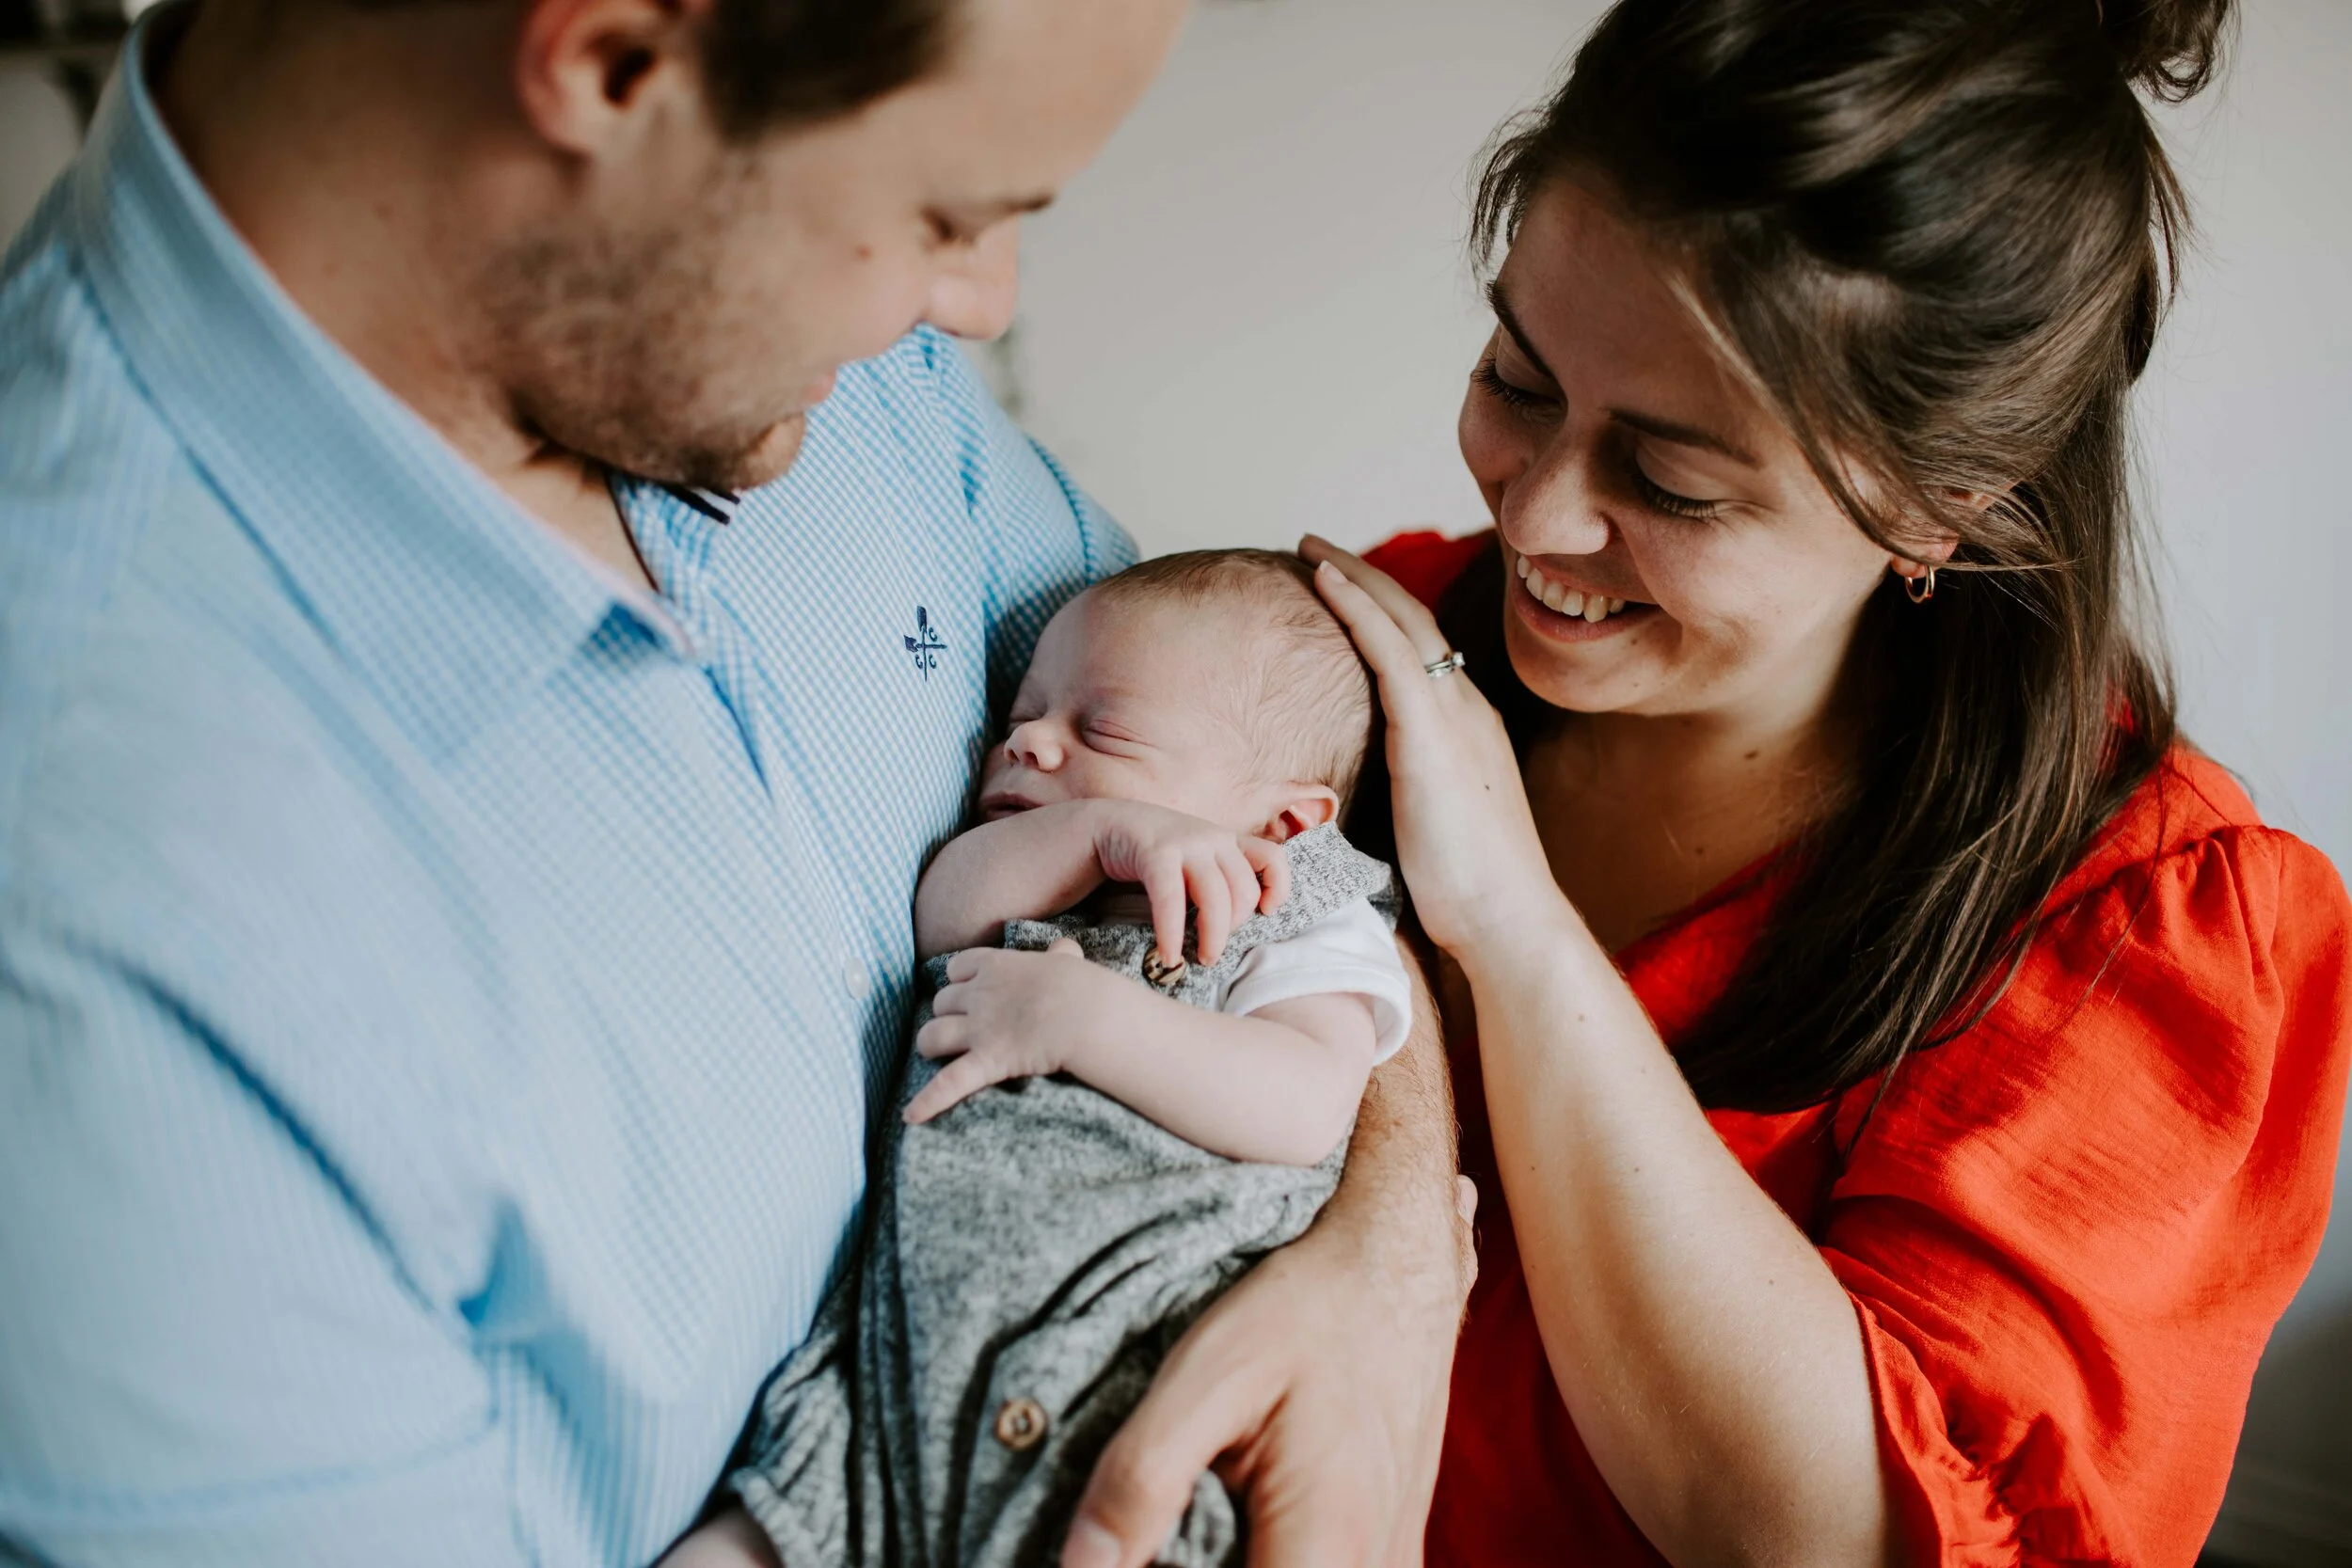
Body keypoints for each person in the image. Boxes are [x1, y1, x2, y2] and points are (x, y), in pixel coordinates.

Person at [0, 2, 1470, 1564]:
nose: (978, 304)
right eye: (950, 215)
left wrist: (1382, 1278)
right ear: (613, 60)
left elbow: (1271, 818)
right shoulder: (92, 939)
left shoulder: (842, 374)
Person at [1304, 0, 2352, 1563]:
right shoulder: (1376, 638)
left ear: (1939, 502)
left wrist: (1513, 931)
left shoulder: (2134, 935)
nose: (1533, 521)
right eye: (1520, 380)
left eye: (1669, 480)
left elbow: (1851, 1537)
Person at [675, 549, 1411, 1568]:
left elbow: (1304, 1103)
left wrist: (1089, 1020)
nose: (1029, 740)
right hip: (885, 1393)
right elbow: (944, 910)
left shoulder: (1300, 914)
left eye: (1099, 729)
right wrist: (1105, 824)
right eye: (1026, 712)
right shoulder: (1028, 875)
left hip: (1113, 1391)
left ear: (1281, 821)